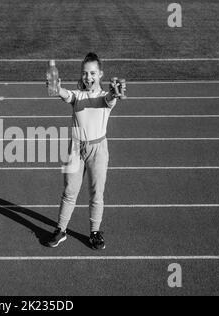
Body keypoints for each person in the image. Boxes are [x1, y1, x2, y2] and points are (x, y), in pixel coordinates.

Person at [46, 52, 126, 250]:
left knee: (96, 193)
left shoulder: (104, 98)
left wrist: (115, 92)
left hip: (97, 150)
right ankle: (61, 229)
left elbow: (109, 99)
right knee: (69, 191)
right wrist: (57, 89)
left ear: (100, 74)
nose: (88, 77)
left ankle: (95, 232)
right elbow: (66, 95)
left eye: (92, 73)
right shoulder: (78, 95)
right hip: (75, 148)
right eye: (85, 73)